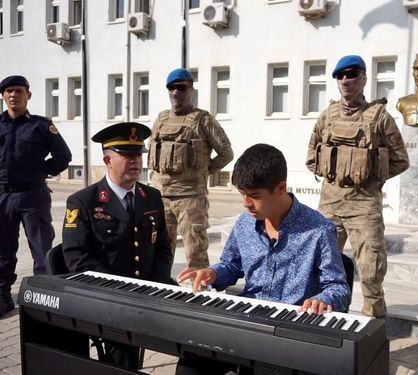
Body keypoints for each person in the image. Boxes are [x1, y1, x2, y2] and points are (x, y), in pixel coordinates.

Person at [176, 143, 350, 374]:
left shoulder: (319, 230)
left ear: (281, 188)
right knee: (190, 363)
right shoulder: (244, 222)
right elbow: (233, 264)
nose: (246, 203)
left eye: (254, 196)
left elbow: (338, 287)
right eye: (242, 194)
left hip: (289, 332)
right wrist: (215, 273)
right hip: (246, 322)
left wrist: (323, 298)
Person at [62, 122, 174, 370]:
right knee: (124, 349)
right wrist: (123, 292)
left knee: (196, 329)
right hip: (110, 297)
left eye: (138, 155)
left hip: (151, 287)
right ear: (107, 160)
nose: (135, 161)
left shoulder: (151, 197)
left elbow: (163, 246)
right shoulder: (83, 202)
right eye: (126, 155)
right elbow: (76, 259)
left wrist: (157, 284)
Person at [306, 55, 410, 318]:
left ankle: (372, 329)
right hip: (329, 202)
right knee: (320, 265)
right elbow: (311, 156)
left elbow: (400, 160)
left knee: (371, 269)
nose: (344, 81)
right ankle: (323, 320)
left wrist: (372, 179)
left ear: (363, 79)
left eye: (350, 75)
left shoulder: (379, 118)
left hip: (364, 204)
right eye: (339, 76)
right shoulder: (327, 116)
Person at [0, 75, 71, 318]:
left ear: (28, 95)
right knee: (3, 249)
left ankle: (43, 297)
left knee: (41, 249)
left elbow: (63, 156)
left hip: (33, 196)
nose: (13, 95)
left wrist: (42, 172)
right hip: (2, 198)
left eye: (19, 91)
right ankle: (3, 296)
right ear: (3, 96)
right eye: (9, 91)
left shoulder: (41, 125)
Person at [148, 68, 233, 271]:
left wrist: (205, 171)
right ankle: (161, 290)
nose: (176, 93)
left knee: (196, 253)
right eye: (171, 88)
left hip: (190, 198)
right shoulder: (161, 119)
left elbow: (226, 153)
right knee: (160, 251)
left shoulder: (202, 120)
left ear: (191, 91)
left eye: (181, 88)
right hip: (161, 197)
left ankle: (199, 293)